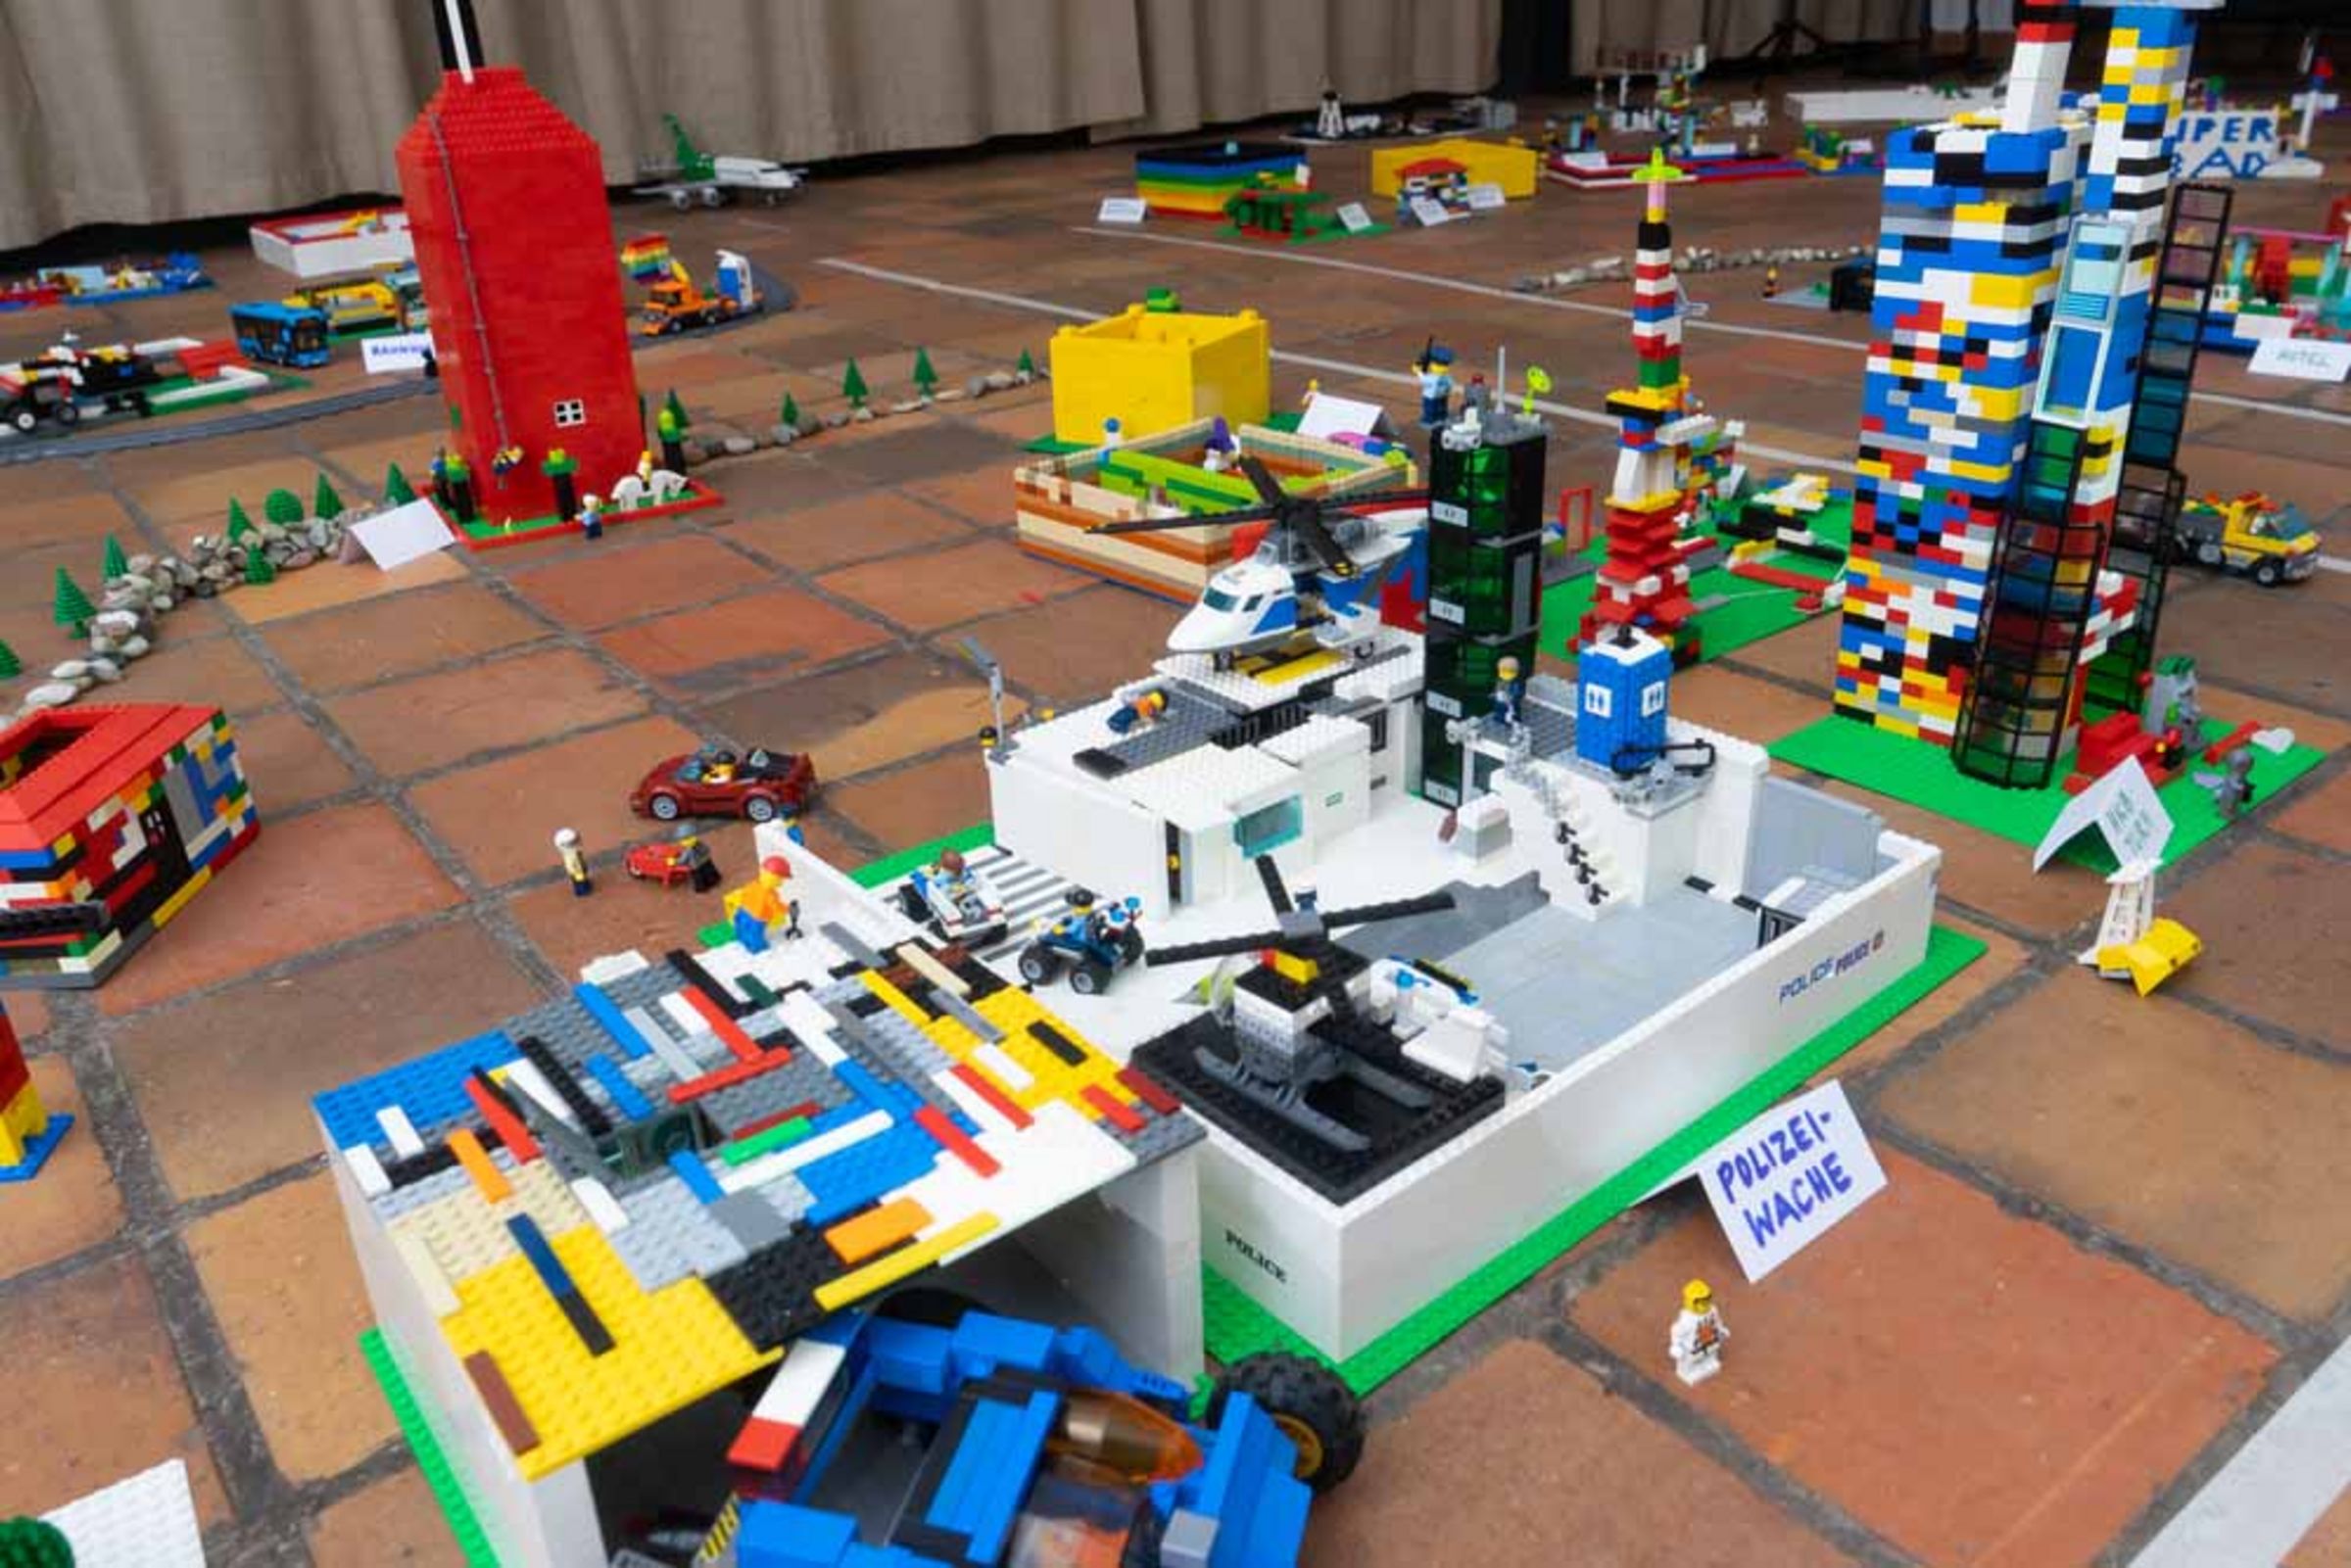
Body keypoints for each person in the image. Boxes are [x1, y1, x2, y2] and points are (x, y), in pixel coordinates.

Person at [1668, 1279, 1729, 1385]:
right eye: (1701, 1302)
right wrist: (1676, 1345)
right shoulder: (1687, 1320)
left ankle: (1709, 1363)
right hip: (1692, 1346)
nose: (1705, 1304)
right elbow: (1676, 1331)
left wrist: (1721, 1329)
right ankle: (1687, 1372)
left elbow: (1717, 1321)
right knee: (1690, 1360)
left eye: (1707, 1300)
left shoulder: (1712, 1310)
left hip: (1709, 1340)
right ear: (1691, 1302)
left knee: (1711, 1352)